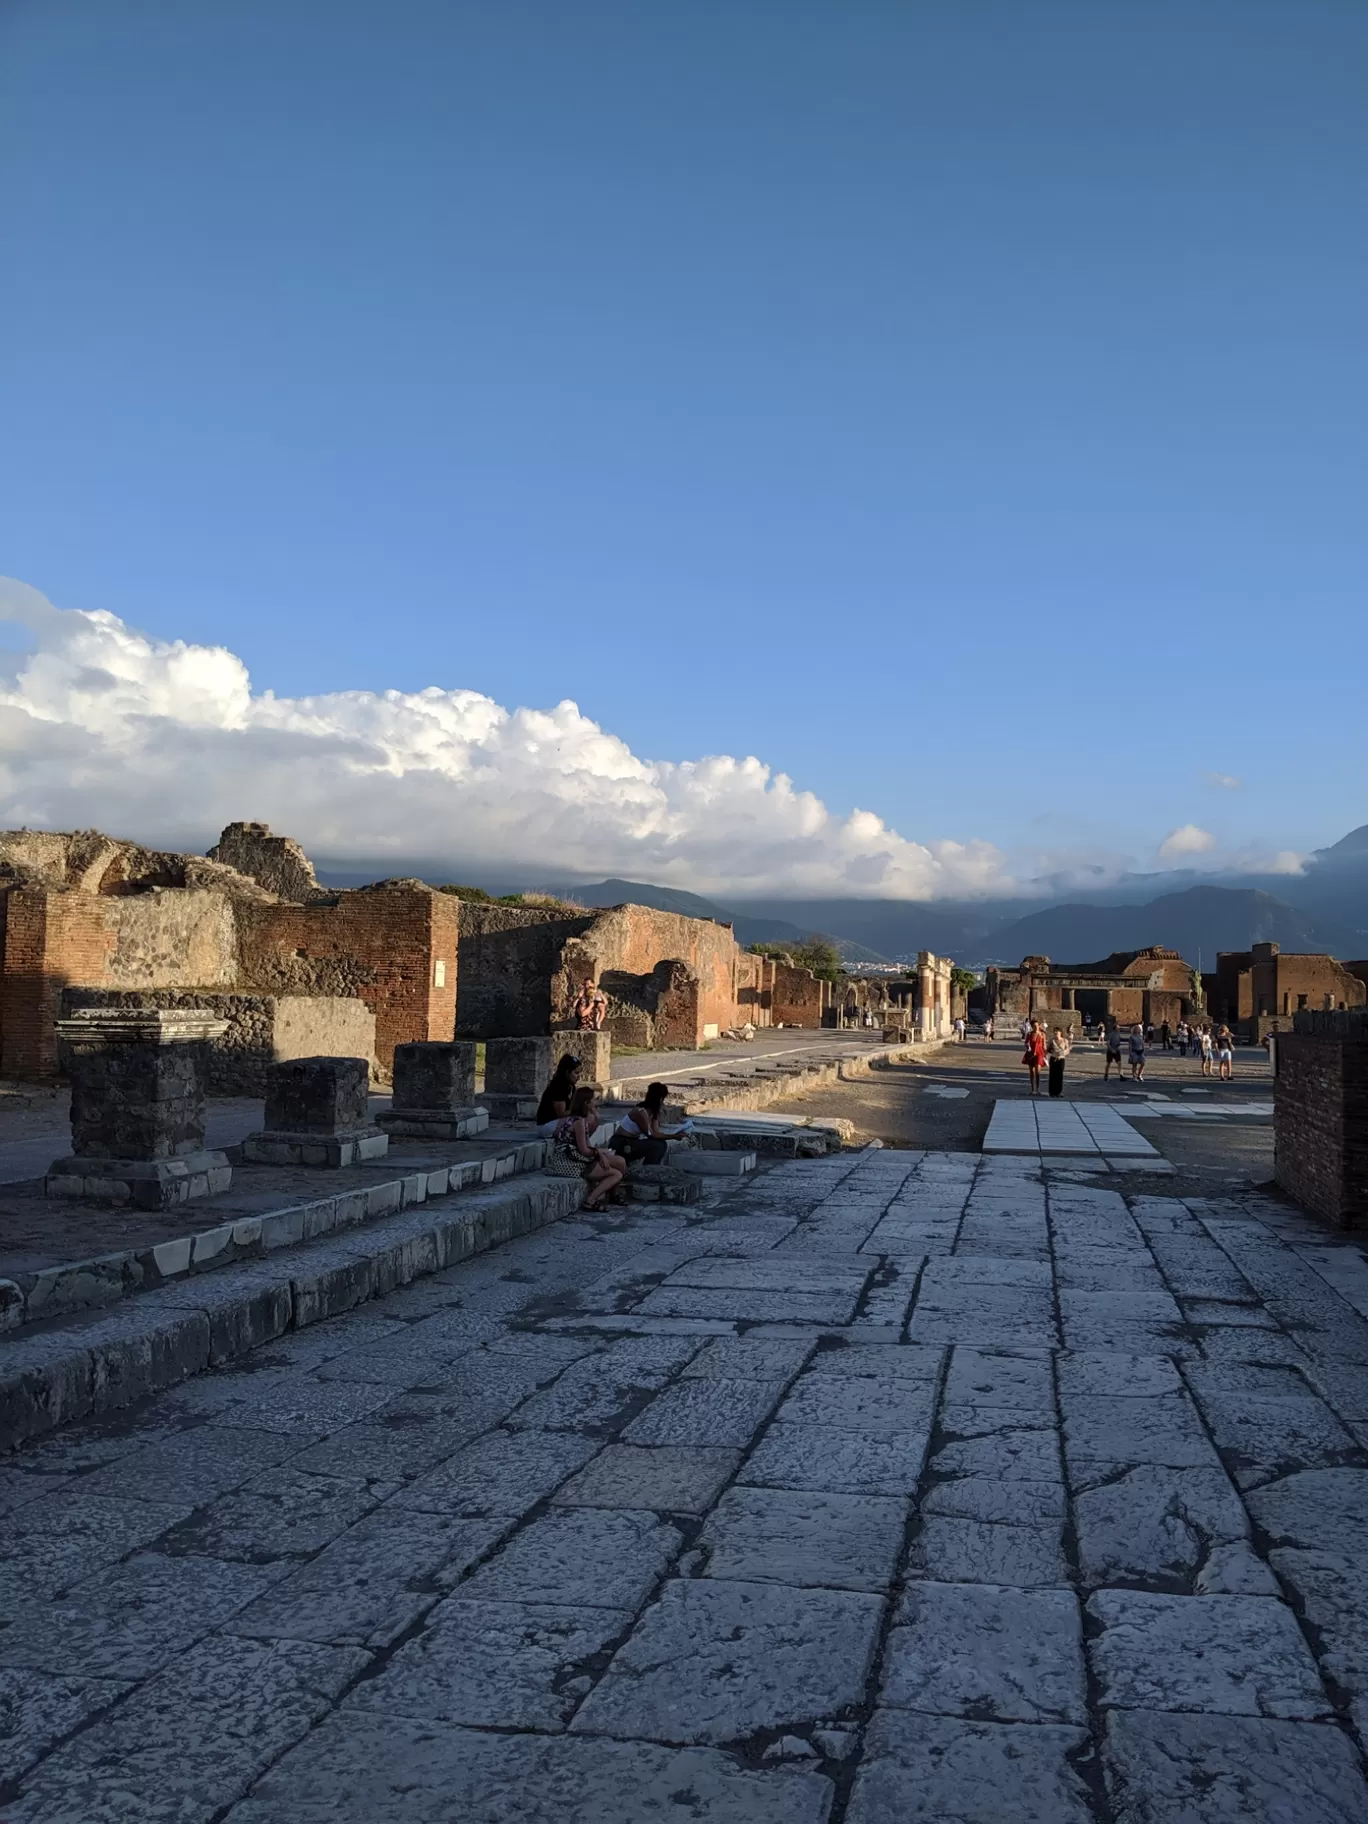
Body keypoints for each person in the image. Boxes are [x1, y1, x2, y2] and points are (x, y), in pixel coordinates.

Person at [545, 1086, 626, 1209]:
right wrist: (599, 1155)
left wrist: (601, 1154)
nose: (596, 1102)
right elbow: (584, 1150)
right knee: (617, 1174)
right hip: (572, 1162)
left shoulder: (579, 1119)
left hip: (576, 1156)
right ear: (586, 1103)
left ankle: (612, 1194)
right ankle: (590, 1201)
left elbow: (587, 1145)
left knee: (620, 1161)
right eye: (593, 1100)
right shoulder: (579, 1122)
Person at [612, 1080, 691, 1165]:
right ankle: (648, 1170)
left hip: (632, 1142)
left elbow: (656, 1133)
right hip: (621, 1143)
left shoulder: (652, 1113)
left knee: (661, 1144)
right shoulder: (640, 1112)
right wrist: (673, 1136)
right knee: (657, 1146)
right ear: (660, 1099)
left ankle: (652, 1168)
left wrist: (676, 1133)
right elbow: (651, 1135)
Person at [534, 1054, 582, 1134]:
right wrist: (578, 1109)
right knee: (579, 1122)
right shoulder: (558, 1087)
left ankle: (585, 1145)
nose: (578, 1077)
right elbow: (561, 1114)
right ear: (567, 1072)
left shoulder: (571, 1087)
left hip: (558, 1122)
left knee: (589, 1118)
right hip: (546, 1125)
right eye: (576, 1073)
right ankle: (582, 1146)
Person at [1023, 1018, 1046, 1096]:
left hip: (1039, 1053)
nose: (1036, 1027)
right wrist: (1027, 1046)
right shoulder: (1030, 1034)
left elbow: (1044, 1046)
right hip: (1031, 1053)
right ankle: (1033, 1090)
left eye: (1037, 1025)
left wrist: (1045, 1056)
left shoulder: (1042, 1034)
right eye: (1034, 1026)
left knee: (1038, 1072)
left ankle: (1038, 1089)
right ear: (1032, 1026)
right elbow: (1026, 1043)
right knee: (1032, 1072)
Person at [1047, 1026, 1071, 1098]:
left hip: (1061, 1059)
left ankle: (1058, 1092)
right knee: (1052, 1075)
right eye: (1054, 1031)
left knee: (1059, 1076)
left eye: (1057, 1031)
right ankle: (1052, 1092)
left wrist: (1063, 1053)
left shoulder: (1065, 1040)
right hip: (1053, 1058)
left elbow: (1068, 1050)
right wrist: (1052, 1051)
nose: (1055, 1033)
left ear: (1060, 1032)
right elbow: (1047, 1049)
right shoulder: (1051, 1040)